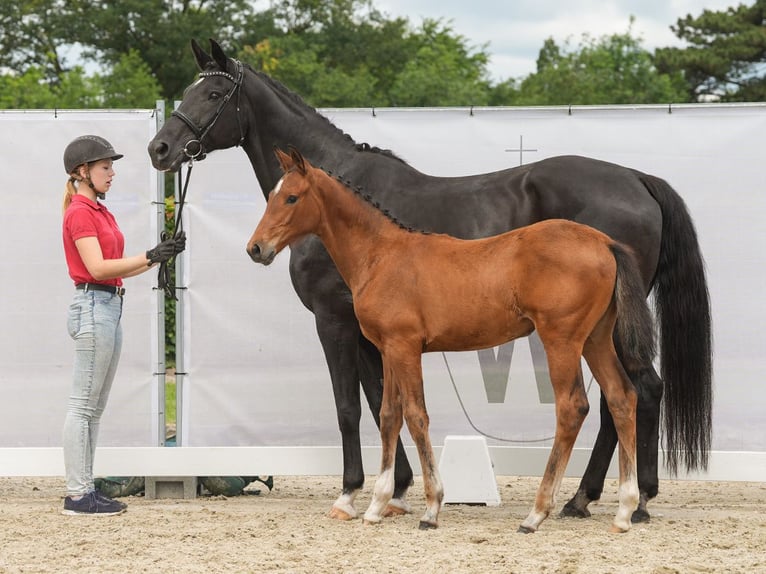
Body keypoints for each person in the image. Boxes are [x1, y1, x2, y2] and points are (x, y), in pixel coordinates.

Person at [60, 135, 185, 516]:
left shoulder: (99, 211)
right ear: (83, 172)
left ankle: (84, 489)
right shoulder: (81, 212)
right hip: (94, 305)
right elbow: (97, 269)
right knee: (83, 407)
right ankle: (78, 494)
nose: (112, 173)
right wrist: (150, 255)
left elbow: (113, 267)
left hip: (108, 306)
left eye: (111, 166)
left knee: (92, 408)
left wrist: (157, 257)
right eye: (105, 167)